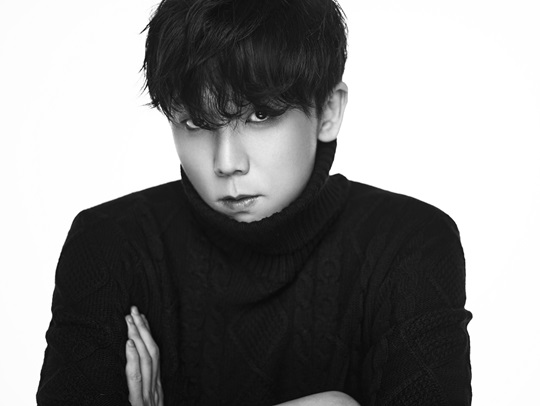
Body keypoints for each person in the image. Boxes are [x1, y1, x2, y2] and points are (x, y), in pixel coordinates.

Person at [36, 0, 472, 405]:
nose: (227, 163)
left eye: (260, 115)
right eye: (195, 122)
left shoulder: (409, 244)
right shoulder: (110, 243)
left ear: (328, 110)